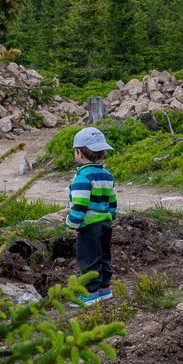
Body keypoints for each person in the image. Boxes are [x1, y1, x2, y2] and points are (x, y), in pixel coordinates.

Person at [65, 126, 117, 307]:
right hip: (105, 223)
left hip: (88, 226)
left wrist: (72, 224)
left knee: (88, 258)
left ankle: (90, 293)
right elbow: (112, 199)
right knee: (104, 255)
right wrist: (111, 215)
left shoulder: (82, 178)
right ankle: (104, 288)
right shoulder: (107, 174)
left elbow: (80, 205)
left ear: (79, 153)